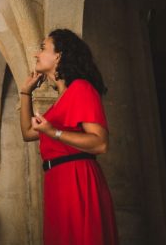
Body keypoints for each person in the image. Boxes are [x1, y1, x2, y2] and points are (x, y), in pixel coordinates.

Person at [19, 29, 118, 245]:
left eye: (43, 48)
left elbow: (100, 143)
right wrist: (26, 92)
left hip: (77, 179)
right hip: (57, 181)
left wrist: (53, 132)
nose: (37, 54)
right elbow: (28, 132)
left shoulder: (81, 88)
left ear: (59, 56)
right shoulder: (60, 100)